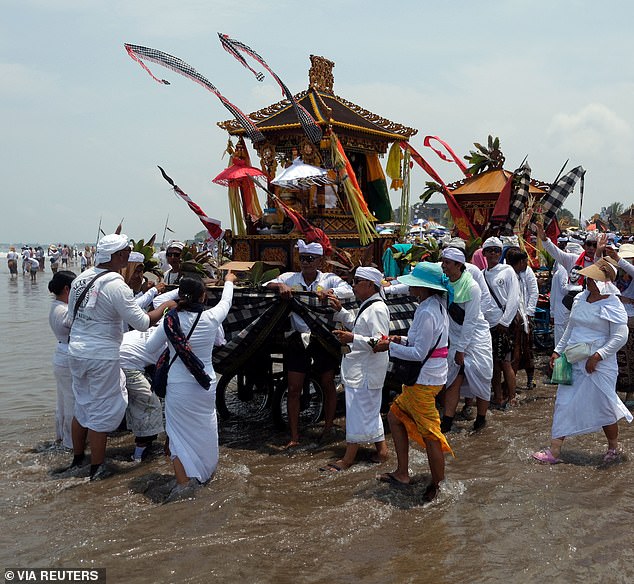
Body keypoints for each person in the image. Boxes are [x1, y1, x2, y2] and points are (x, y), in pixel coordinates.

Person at [65, 233, 172, 480]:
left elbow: (72, 318)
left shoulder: (81, 279)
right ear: (119, 255)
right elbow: (143, 322)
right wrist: (165, 307)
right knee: (102, 411)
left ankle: (77, 460)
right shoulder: (115, 283)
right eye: (125, 251)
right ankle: (97, 468)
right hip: (101, 355)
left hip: (76, 351)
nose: (127, 255)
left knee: (82, 405)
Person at [532, 258, 632, 464]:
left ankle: (613, 447)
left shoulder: (613, 304)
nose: (588, 282)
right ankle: (555, 450)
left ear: (604, 282)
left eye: (593, 279)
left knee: (604, 405)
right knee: (563, 402)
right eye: (588, 278)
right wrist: (557, 350)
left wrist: (598, 356)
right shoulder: (580, 298)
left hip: (600, 366)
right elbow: (571, 327)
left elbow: (620, 336)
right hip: (573, 359)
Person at [145, 273, 235, 501]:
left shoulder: (170, 320)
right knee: (206, 429)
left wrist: (174, 346)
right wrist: (229, 281)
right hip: (205, 384)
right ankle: (204, 475)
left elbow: (149, 348)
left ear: (179, 295)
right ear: (203, 296)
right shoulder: (212, 317)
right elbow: (227, 301)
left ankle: (184, 484)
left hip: (179, 387)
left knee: (177, 436)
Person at [373, 262, 452, 503]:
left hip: (423, 380)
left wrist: (390, 346)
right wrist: (401, 339)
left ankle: (438, 486)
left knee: (431, 435)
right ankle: (402, 473)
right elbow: (423, 343)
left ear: (423, 287)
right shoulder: (435, 305)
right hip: (432, 375)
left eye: (413, 284)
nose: (409, 287)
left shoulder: (427, 310)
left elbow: (419, 353)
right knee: (394, 416)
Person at [265, 240, 353, 448]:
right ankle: (294, 437)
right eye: (303, 258)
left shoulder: (329, 279)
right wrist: (279, 285)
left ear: (320, 261)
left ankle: (328, 429)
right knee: (294, 388)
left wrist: (331, 294)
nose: (306, 263)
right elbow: (264, 285)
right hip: (298, 338)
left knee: (328, 383)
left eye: (310, 259)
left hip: (323, 337)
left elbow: (348, 290)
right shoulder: (290, 278)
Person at [323, 267, 390, 471]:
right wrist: (341, 312)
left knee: (356, 413)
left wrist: (353, 339)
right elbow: (360, 327)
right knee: (368, 411)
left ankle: (348, 459)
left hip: (366, 372)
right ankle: (382, 452)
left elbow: (381, 342)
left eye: (356, 282)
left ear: (370, 285)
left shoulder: (377, 308)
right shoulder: (369, 306)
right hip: (363, 370)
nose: (353, 286)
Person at [439, 247, 493, 433]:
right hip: (455, 337)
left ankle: (481, 418)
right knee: (454, 377)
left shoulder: (471, 287)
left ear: (458, 265)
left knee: (482, 376)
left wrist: (461, 349)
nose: (443, 266)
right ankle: (447, 420)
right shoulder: (445, 283)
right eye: (443, 261)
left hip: (476, 339)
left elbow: (470, 321)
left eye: (447, 262)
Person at [482, 237, 520, 408]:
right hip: (488, 325)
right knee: (493, 364)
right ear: (484, 253)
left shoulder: (507, 271)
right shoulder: (482, 274)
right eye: (489, 250)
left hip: (504, 325)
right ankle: (497, 396)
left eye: (496, 250)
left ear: (500, 252)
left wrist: (505, 322)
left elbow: (514, 298)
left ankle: (512, 397)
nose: (493, 254)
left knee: (505, 362)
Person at [119, 327, 167, 462]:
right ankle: (138, 456)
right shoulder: (169, 341)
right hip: (125, 364)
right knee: (150, 406)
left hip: (114, 357)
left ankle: (144, 445)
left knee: (140, 404)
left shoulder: (157, 328)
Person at [48, 270, 77, 449]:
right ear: (67, 289)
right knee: (71, 402)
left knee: (63, 401)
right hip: (66, 356)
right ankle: (71, 443)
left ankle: (62, 438)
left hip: (61, 354)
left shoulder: (57, 307)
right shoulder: (63, 310)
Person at [506, 248, 538, 390]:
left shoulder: (527, 272)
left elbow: (534, 292)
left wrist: (529, 314)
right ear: (519, 262)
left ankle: (529, 380)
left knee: (527, 350)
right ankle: (509, 384)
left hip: (524, 317)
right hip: (510, 319)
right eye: (525, 261)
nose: (527, 264)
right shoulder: (506, 274)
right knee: (511, 352)